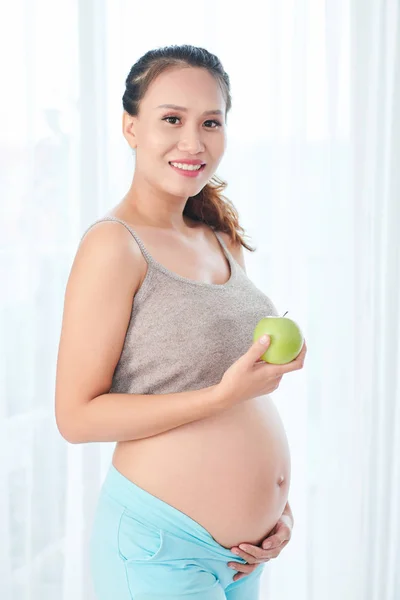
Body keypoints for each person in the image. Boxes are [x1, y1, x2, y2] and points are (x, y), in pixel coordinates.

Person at [55, 44, 307, 600]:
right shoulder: (113, 246)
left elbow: (236, 391)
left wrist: (276, 508)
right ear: (131, 127)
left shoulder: (220, 238)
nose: (193, 143)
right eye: (172, 119)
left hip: (243, 558)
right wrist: (221, 397)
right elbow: (75, 418)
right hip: (160, 552)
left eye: (210, 123)